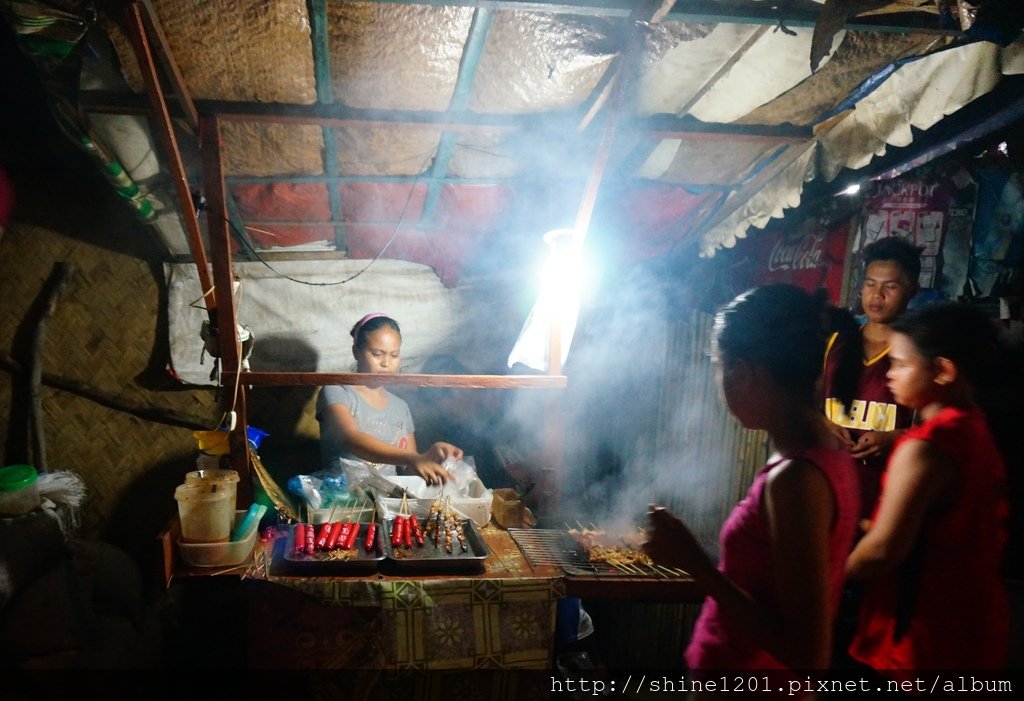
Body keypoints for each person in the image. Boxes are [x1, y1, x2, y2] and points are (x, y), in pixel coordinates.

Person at [643, 284, 863, 687]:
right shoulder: (827, 450)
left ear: (742, 373)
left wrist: (694, 564)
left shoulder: (796, 480)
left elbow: (808, 655)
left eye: (718, 365)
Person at [846, 302, 1010, 678]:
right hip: (971, 621)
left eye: (902, 364)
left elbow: (884, 552)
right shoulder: (974, 427)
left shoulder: (926, 447)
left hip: (921, 632)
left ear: (943, 371)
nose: (890, 374)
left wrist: (823, 577)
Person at [822, 236, 924, 520]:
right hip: (829, 493)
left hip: (885, 503)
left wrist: (895, 438)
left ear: (911, 290)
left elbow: (940, 432)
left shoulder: (919, 354)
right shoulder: (835, 344)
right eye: (870, 284)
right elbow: (805, 406)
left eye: (890, 286)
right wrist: (825, 425)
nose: (876, 295)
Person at [315, 313, 463, 485]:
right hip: (343, 500)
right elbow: (350, 438)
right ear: (356, 352)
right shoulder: (338, 391)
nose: (386, 363)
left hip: (387, 502)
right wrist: (413, 458)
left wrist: (431, 458)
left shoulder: (401, 407)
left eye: (394, 355)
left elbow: (408, 468)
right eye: (377, 354)